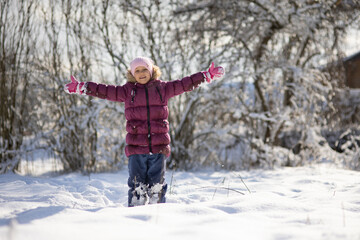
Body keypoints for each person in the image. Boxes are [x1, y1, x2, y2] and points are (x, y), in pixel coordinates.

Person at [64, 57, 225, 207]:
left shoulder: (163, 88)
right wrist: (83, 87)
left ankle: (157, 216)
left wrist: (205, 76)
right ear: (133, 74)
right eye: (137, 71)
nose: (141, 74)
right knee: (137, 187)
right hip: (136, 148)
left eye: (144, 70)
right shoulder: (128, 91)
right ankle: (135, 217)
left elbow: (185, 83)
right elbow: (105, 90)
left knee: (157, 187)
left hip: (158, 148)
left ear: (151, 70)